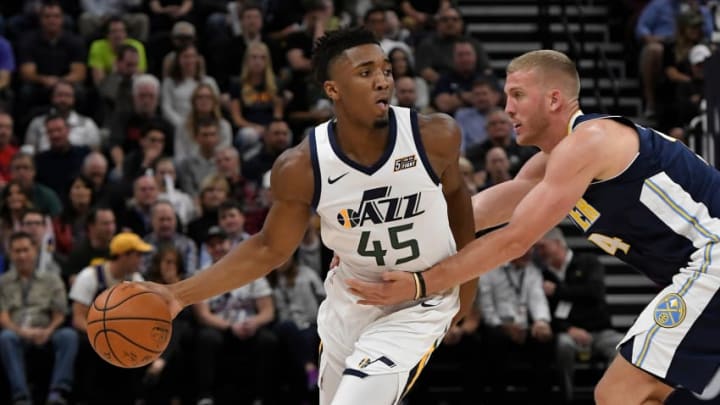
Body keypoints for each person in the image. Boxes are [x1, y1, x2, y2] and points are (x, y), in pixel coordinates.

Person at [346, 48, 720, 404]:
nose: (507, 109)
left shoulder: (589, 142)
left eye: (517, 95)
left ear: (553, 99)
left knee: (621, 393)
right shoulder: (554, 161)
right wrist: (379, 241)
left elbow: (514, 240)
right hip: (700, 269)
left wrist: (420, 283)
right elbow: (479, 212)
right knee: (639, 394)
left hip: (713, 257)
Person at [144, 27, 476, 405]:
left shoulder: (434, 136)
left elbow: (458, 203)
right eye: (365, 73)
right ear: (333, 89)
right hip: (351, 302)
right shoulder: (302, 166)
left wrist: (465, 288)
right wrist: (177, 295)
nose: (383, 81)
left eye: (385, 70)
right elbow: (268, 248)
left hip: (422, 297)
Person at [535, 227, 623, 403]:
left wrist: (559, 291)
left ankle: (615, 398)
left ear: (558, 243)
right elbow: (546, 311)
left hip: (600, 330)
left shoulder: (588, 262)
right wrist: (568, 329)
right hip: (569, 332)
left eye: (542, 246)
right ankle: (567, 397)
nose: (539, 252)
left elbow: (594, 292)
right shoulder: (543, 275)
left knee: (622, 349)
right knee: (563, 345)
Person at [0, 231, 78, 405]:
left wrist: (48, 331)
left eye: (25, 250)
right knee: (5, 338)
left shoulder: (52, 280)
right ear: (10, 254)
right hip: (17, 332)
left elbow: (59, 314)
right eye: (17, 251)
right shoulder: (3, 283)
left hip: (47, 332)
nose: (22, 256)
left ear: (35, 251)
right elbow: (3, 317)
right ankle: (21, 396)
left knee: (68, 336)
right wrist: (22, 332)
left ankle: (58, 392)